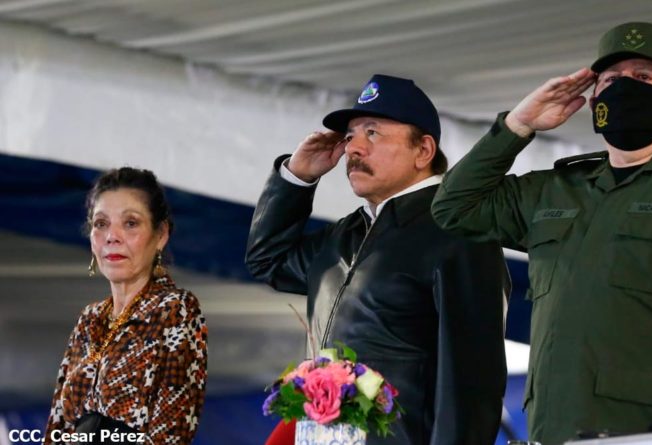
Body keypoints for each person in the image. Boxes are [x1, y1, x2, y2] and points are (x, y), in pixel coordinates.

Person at [431, 22, 652, 444]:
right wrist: (517, 125)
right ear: (594, 97)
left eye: (643, 77)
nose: (625, 88)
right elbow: (454, 208)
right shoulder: (558, 188)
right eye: (612, 79)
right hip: (551, 428)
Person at [246, 74, 509, 445]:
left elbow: (472, 383)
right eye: (350, 135)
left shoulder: (459, 234)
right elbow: (268, 261)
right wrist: (297, 177)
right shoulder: (345, 234)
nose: (354, 147)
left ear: (423, 150)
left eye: (372, 132)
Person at [45, 167, 208, 444]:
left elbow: (172, 433)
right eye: (101, 224)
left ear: (161, 235)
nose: (112, 236)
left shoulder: (176, 310)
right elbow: (56, 427)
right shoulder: (89, 319)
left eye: (130, 223)